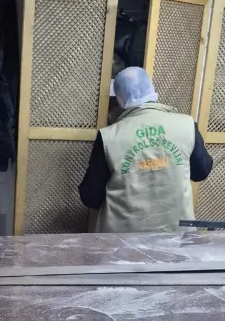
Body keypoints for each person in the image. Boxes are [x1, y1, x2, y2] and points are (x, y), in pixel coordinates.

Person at [78, 66, 213, 233]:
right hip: (176, 236)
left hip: (122, 239)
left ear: (120, 100)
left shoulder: (109, 136)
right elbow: (201, 172)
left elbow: (91, 196)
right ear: (152, 90)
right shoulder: (187, 126)